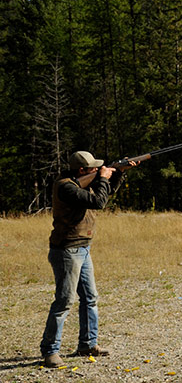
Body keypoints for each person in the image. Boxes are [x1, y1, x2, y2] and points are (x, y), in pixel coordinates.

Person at [40, 150, 134, 368]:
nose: (97, 170)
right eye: (93, 168)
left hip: (83, 247)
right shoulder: (66, 186)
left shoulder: (80, 182)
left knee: (90, 298)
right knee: (64, 301)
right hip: (67, 250)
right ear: (82, 171)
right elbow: (98, 202)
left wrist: (118, 173)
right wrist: (102, 177)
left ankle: (87, 344)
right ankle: (50, 350)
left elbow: (105, 193)